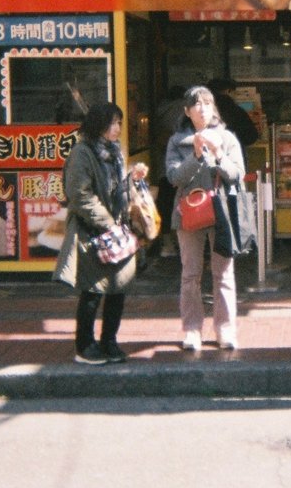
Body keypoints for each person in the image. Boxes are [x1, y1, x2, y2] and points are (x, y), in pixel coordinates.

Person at [53, 102, 148, 365]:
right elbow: (80, 195)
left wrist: (132, 179)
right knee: (93, 291)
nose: (118, 128)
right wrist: (109, 224)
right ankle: (84, 346)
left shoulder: (113, 152)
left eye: (119, 122)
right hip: (92, 233)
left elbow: (117, 192)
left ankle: (109, 341)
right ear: (99, 125)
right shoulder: (82, 154)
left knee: (118, 289)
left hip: (116, 233)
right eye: (113, 123)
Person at [166, 85, 246, 351]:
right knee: (190, 274)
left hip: (222, 212)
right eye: (196, 104)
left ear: (214, 108)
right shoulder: (177, 141)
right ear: (187, 111)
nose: (203, 108)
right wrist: (197, 155)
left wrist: (219, 153)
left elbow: (236, 174)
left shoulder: (228, 138)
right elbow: (174, 177)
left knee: (223, 272)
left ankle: (225, 329)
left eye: (207, 103)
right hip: (190, 213)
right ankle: (192, 329)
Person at [152, 84, 187, 258]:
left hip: (163, 167)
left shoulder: (159, 110)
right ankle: (178, 242)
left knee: (165, 204)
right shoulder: (184, 109)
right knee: (180, 205)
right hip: (181, 167)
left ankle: (166, 242)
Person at [207, 77, 259, 160]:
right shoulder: (235, 111)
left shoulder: (200, 111)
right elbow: (251, 136)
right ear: (228, 91)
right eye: (235, 93)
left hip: (207, 158)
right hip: (232, 157)